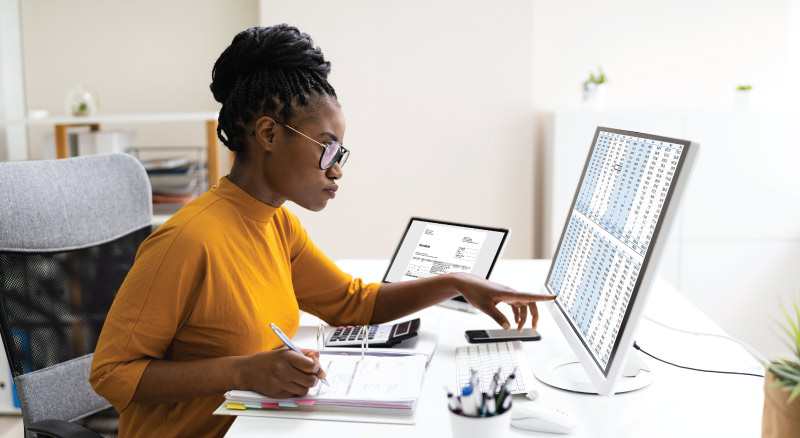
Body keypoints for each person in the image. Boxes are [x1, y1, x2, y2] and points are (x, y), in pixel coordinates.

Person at [89, 24, 555, 438]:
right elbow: (111, 374)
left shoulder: (278, 225)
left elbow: (354, 305)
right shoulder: (186, 241)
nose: (337, 171)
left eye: (341, 155)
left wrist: (457, 284)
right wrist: (245, 371)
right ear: (269, 135)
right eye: (328, 150)